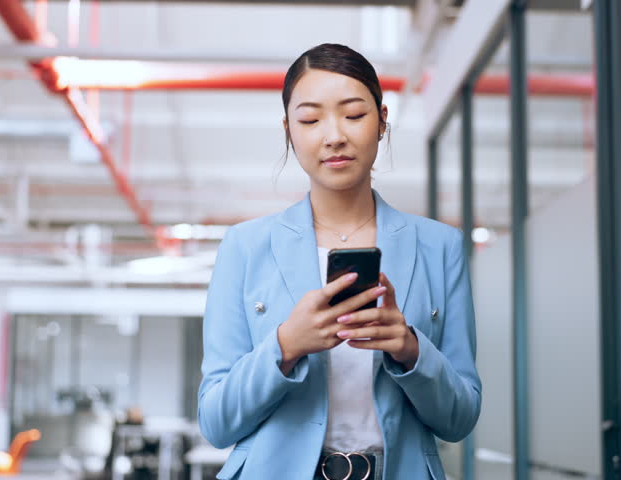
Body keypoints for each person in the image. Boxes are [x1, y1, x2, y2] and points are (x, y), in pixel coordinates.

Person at [198, 43, 481, 480]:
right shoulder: (244, 247)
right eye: (310, 119)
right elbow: (216, 423)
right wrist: (286, 345)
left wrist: (411, 349)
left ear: (383, 122)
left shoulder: (440, 247)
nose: (334, 135)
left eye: (354, 115)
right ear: (289, 130)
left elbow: (460, 418)